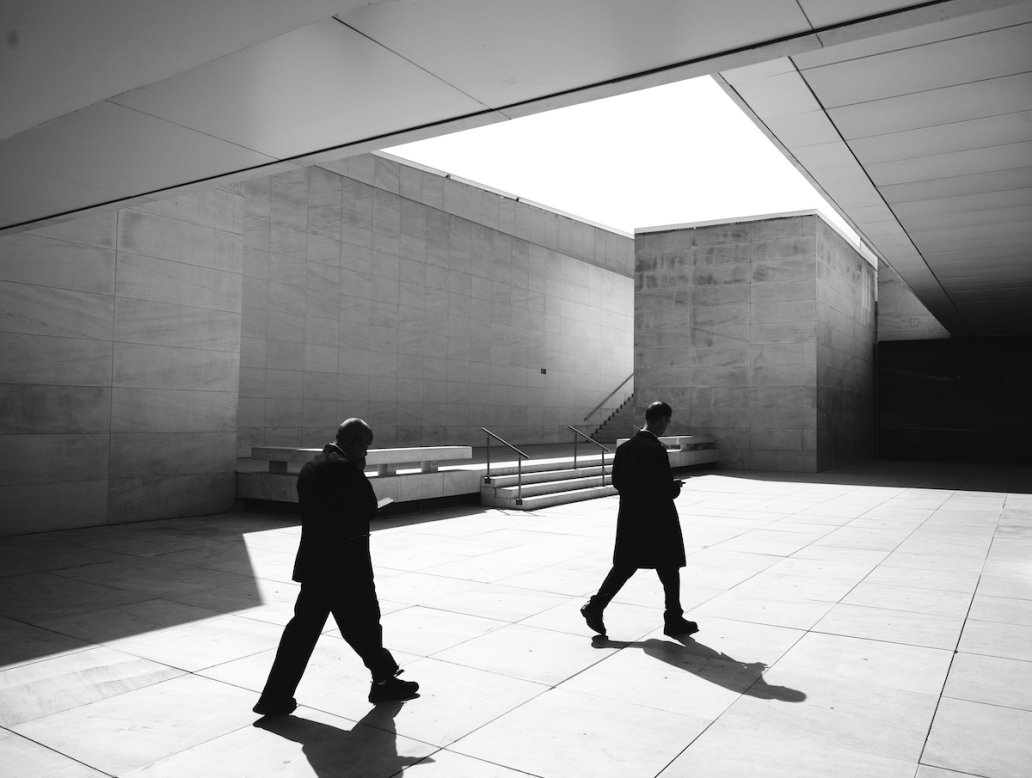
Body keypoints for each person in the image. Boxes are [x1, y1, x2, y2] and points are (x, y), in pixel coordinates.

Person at [253, 418, 418, 716]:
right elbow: (368, 507)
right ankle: (383, 681)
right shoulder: (345, 471)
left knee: (302, 632)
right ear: (354, 443)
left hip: (317, 564)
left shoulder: (312, 466)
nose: (365, 456)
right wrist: (358, 474)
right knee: (364, 623)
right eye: (365, 449)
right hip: (345, 566)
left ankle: (274, 696)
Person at [580, 401, 698, 638]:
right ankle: (673, 618)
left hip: (631, 517)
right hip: (657, 519)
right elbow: (664, 490)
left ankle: (596, 606)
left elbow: (617, 482)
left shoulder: (625, 448)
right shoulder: (655, 449)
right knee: (669, 566)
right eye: (668, 421)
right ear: (662, 419)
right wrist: (674, 488)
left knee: (626, 566)